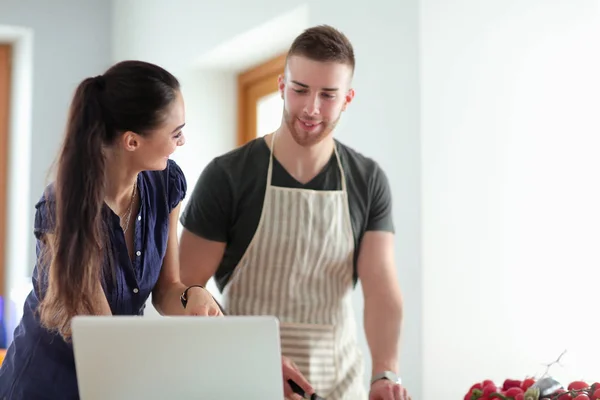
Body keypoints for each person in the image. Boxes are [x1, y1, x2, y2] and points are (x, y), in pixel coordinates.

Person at [179, 25, 411, 400]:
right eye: (300, 89)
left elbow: (381, 288)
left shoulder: (367, 180)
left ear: (347, 99)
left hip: (338, 386)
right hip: (244, 385)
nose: (311, 108)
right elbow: (181, 292)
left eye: (328, 95)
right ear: (281, 86)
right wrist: (248, 359)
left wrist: (386, 372)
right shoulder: (228, 176)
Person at [0, 60, 224, 399]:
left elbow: (166, 290)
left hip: (113, 371)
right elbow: (105, 336)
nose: (183, 141)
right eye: (175, 133)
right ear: (132, 141)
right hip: (46, 384)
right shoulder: (63, 210)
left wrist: (191, 296)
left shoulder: (166, 184)